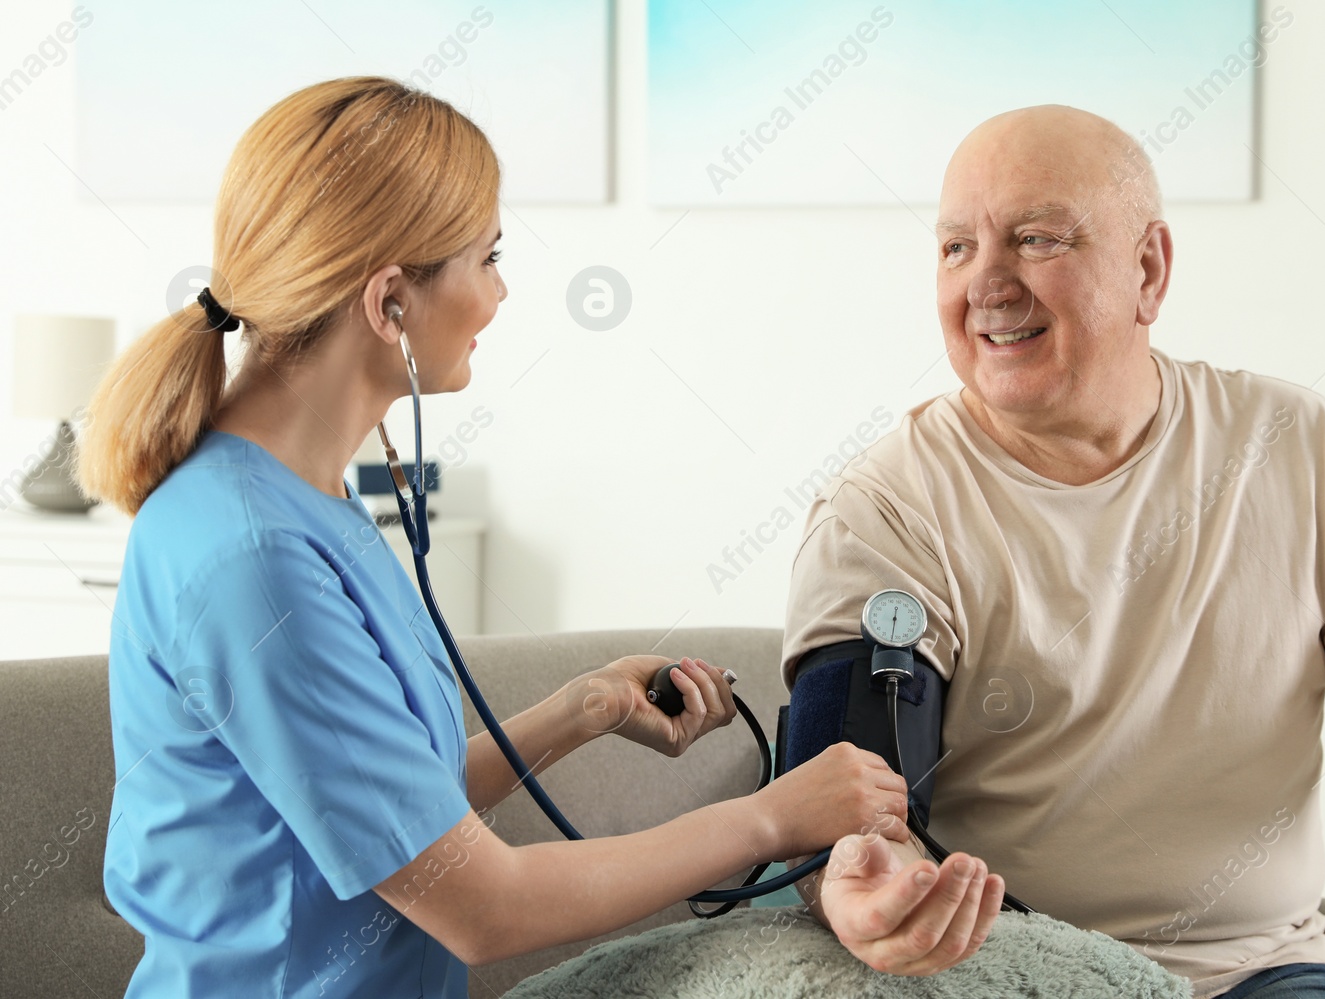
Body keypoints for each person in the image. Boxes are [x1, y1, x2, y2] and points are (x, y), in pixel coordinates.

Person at [75, 77, 913, 998]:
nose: (503, 290)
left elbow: (393, 817)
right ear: (390, 302)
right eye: (489, 256)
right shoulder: (251, 558)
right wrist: (769, 818)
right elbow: (479, 905)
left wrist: (578, 710)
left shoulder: (297, 500)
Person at [779, 105, 1325, 998]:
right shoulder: (886, 508)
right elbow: (844, 795)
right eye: (957, 248)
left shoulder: (1299, 449)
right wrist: (863, 879)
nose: (988, 285)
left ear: (1148, 270)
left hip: (1261, 971)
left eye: (1036, 240)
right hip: (1008, 971)